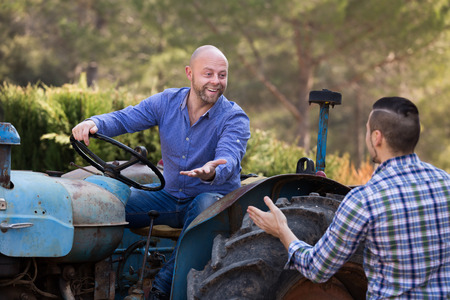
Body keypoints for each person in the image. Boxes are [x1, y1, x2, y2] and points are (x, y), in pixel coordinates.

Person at [72, 45, 251, 299]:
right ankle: (91, 280)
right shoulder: (166, 102)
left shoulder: (234, 117)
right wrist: (94, 123)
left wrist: (211, 169)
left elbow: (229, 158)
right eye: (208, 74)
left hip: (212, 199)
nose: (216, 81)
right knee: (107, 206)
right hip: (168, 197)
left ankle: (161, 287)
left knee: (204, 204)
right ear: (189, 73)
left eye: (222, 75)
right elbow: (126, 118)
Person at [247, 97, 450, 299]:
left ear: (377, 137)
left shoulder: (365, 200)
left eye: (367, 130)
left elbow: (317, 269)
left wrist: (282, 229)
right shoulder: (446, 183)